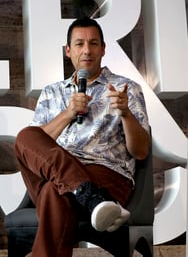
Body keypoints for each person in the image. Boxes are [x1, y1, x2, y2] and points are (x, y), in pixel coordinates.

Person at [14, 17, 150, 256]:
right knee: (26, 136)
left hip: (105, 175)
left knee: (53, 192)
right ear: (68, 51)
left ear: (103, 49)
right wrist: (68, 113)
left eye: (93, 43)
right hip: (56, 174)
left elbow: (140, 152)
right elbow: (33, 147)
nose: (87, 50)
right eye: (79, 44)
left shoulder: (124, 88)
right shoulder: (51, 92)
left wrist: (126, 114)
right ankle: (90, 197)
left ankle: (86, 192)